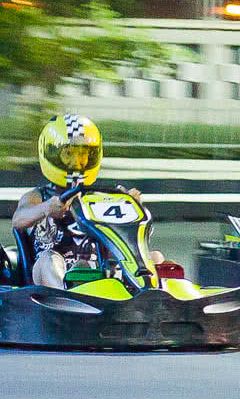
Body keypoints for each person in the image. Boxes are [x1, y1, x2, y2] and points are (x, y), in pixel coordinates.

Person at [12, 113, 164, 289]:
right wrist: (46, 208)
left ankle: (160, 298)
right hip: (53, 277)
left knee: (156, 258)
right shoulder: (38, 196)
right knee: (50, 260)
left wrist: (132, 205)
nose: (77, 160)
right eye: (69, 153)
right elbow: (18, 219)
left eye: (83, 154)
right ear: (53, 154)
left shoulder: (105, 195)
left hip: (100, 272)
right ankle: (69, 298)